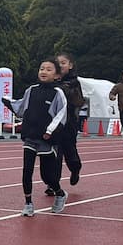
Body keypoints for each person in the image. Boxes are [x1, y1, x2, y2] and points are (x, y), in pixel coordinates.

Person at [2, 59, 68, 216]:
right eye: (42, 68)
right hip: (30, 137)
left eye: (49, 69)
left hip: (46, 139)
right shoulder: (31, 90)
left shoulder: (58, 93)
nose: (44, 71)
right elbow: (21, 108)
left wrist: (50, 131)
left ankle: (59, 193)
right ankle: (28, 204)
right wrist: (8, 102)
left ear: (57, 76)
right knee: (27, 171)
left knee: (47, 176)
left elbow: (61, 114)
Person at [54, 52, 85, 187]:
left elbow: (78, 101)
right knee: (55, 153)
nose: (60, 65)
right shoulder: (51, 81)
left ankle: (75, 169)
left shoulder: (74, 82)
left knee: (69, 151)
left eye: (63, 63)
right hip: (53, 123)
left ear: (70, 65)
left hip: (69, 122)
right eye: (58, 63)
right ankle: (53, 183)